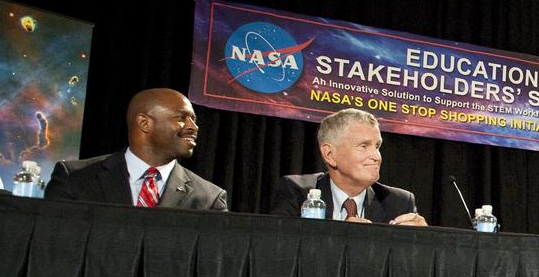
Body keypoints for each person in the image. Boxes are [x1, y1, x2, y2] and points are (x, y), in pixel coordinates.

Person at [44, 88, 228, 210]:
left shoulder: (209, 200)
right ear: (144, 123)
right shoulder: (74, 179)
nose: (193, 128)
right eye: (181, 118)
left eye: (193, 120)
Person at [270, 109, 426, 226]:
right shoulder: (298, 192)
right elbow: (279, 250)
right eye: (363, 146)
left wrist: (421, 241)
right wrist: (345, 236)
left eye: (377, 146)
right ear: (329, 154)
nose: (376, 156)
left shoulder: (399, 202)